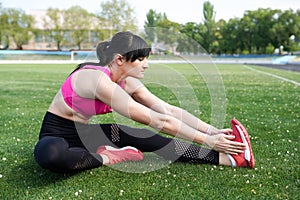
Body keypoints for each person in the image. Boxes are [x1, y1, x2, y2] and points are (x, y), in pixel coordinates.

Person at [34, 31, 254, 173]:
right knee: (52, 156)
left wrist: (213, 132)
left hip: (86, 133)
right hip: (55, 133)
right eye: (140, 59)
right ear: (120, 59)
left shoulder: (125, 82)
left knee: (152, 140)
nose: (146, 65)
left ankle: (228, 159)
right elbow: (158, 120)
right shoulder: (96, 79)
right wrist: (206, 139)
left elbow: (167, 110)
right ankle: (107, 156)